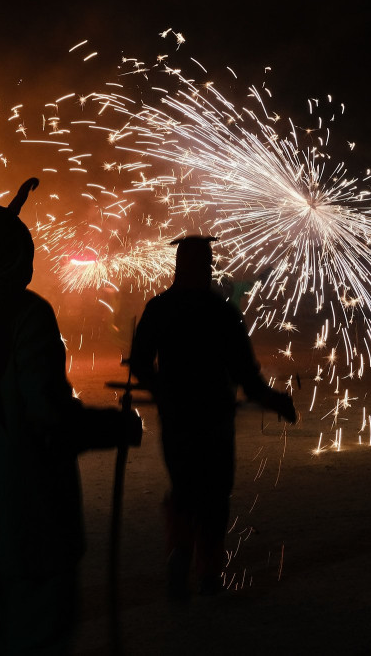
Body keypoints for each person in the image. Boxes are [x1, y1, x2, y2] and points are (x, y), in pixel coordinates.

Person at [0, 178, 142, 654]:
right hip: (33, 512)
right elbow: (47, 418)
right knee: (42, 638)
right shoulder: (27, 314)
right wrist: (114, 427)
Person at [129, 236, 297, 599]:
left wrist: (160, 389)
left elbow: (140, 363)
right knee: (215, 495)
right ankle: (206, 570)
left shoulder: (159, 308)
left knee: (185, 489)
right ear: (203, 268)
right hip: (214, 421)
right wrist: (274, 400)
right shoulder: (221, 313)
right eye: (206, 264)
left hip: (177, 420)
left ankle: (180, 553)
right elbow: (247, 377)